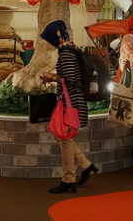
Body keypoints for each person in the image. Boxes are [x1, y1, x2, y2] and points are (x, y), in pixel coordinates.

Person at [39, 20, 96, 194]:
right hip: (71, 100)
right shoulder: (71, 49)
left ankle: (69, 178)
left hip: (70, 101)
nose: (50, 43)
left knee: (63, 137)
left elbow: (71, 80)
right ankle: (84, 165)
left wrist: (51, 77)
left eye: (50, 39)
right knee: (62, 136)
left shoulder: (66, 53)